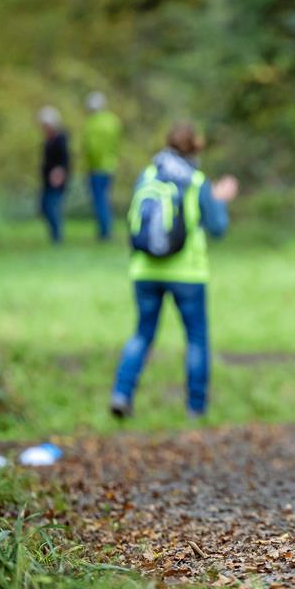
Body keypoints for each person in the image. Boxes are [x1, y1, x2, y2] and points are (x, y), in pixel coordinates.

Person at [109, 122, 238, 419]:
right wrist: (220, 199)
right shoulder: (196, 180)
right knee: (195, 339)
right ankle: (195, 408)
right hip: (187, 273)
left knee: (142, 334)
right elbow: (218, 227)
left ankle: (121, 393)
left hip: (144, 270)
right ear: (195, 147)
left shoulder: (149, 174)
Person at [81, 91, 123, 241]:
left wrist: (91, 163)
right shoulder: (113, 121)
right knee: (106, 199)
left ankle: (104, 232)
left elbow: (92, 148)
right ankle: (107, 228)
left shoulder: (92, 124)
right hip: (110, 166)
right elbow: (115, 144)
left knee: (99, 200)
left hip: (97, 167)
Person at [38, 106, 69, 244]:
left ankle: (57, 236)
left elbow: (64, 160)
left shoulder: (60, 140)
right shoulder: (49, 140)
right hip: (46, 180)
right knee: (45, 206)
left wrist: (59, 173)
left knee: (51, 206)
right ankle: (55, 234)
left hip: (56, 179)